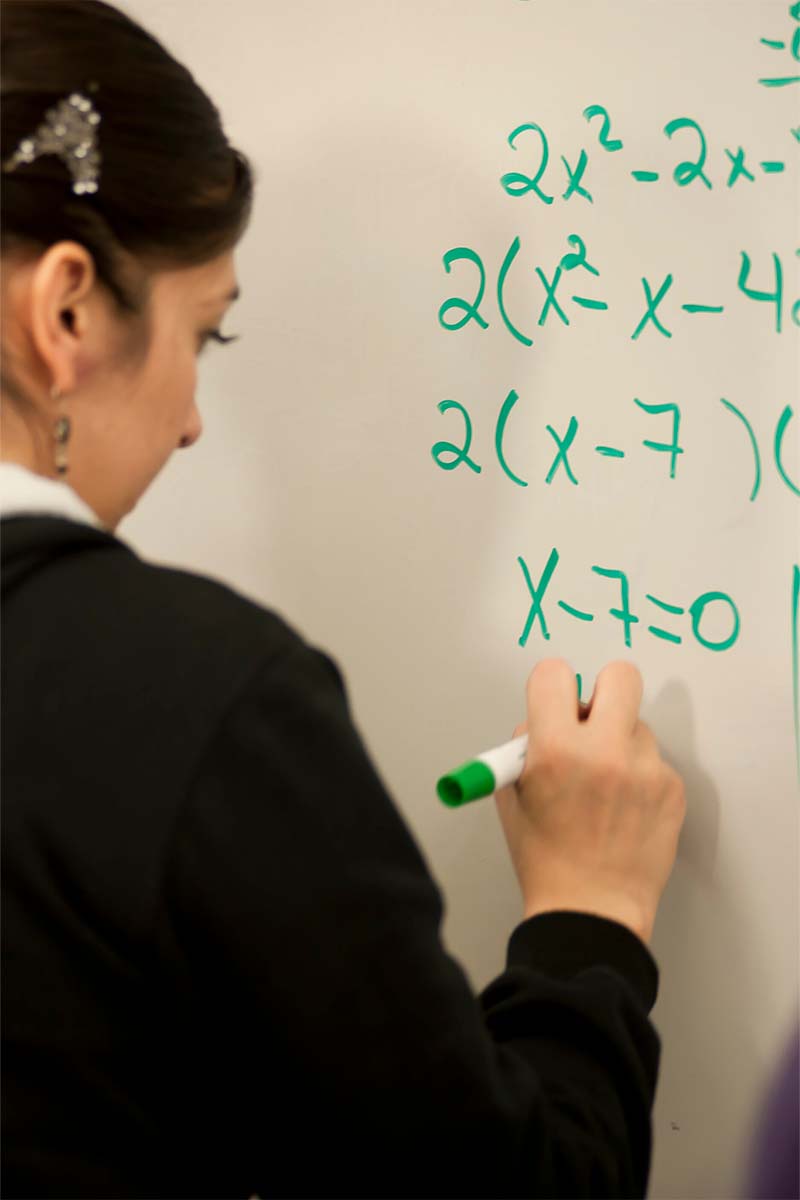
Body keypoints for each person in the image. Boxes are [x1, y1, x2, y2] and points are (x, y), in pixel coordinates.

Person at [0, 3, 686, 1197]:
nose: (192, 422)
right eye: (203, 338)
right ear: (65, 313)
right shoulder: (200, 700)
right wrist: (591, 911)